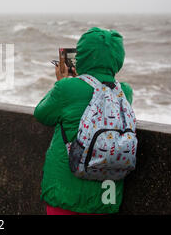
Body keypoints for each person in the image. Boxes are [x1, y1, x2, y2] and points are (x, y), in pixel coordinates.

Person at [33, 27, 133, 215]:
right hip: (106, 195)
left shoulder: (66, 88)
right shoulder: (125, 92)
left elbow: (42, 114)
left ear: (82, 56)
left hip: (66, 192)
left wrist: (61, 82)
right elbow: (100, 90)